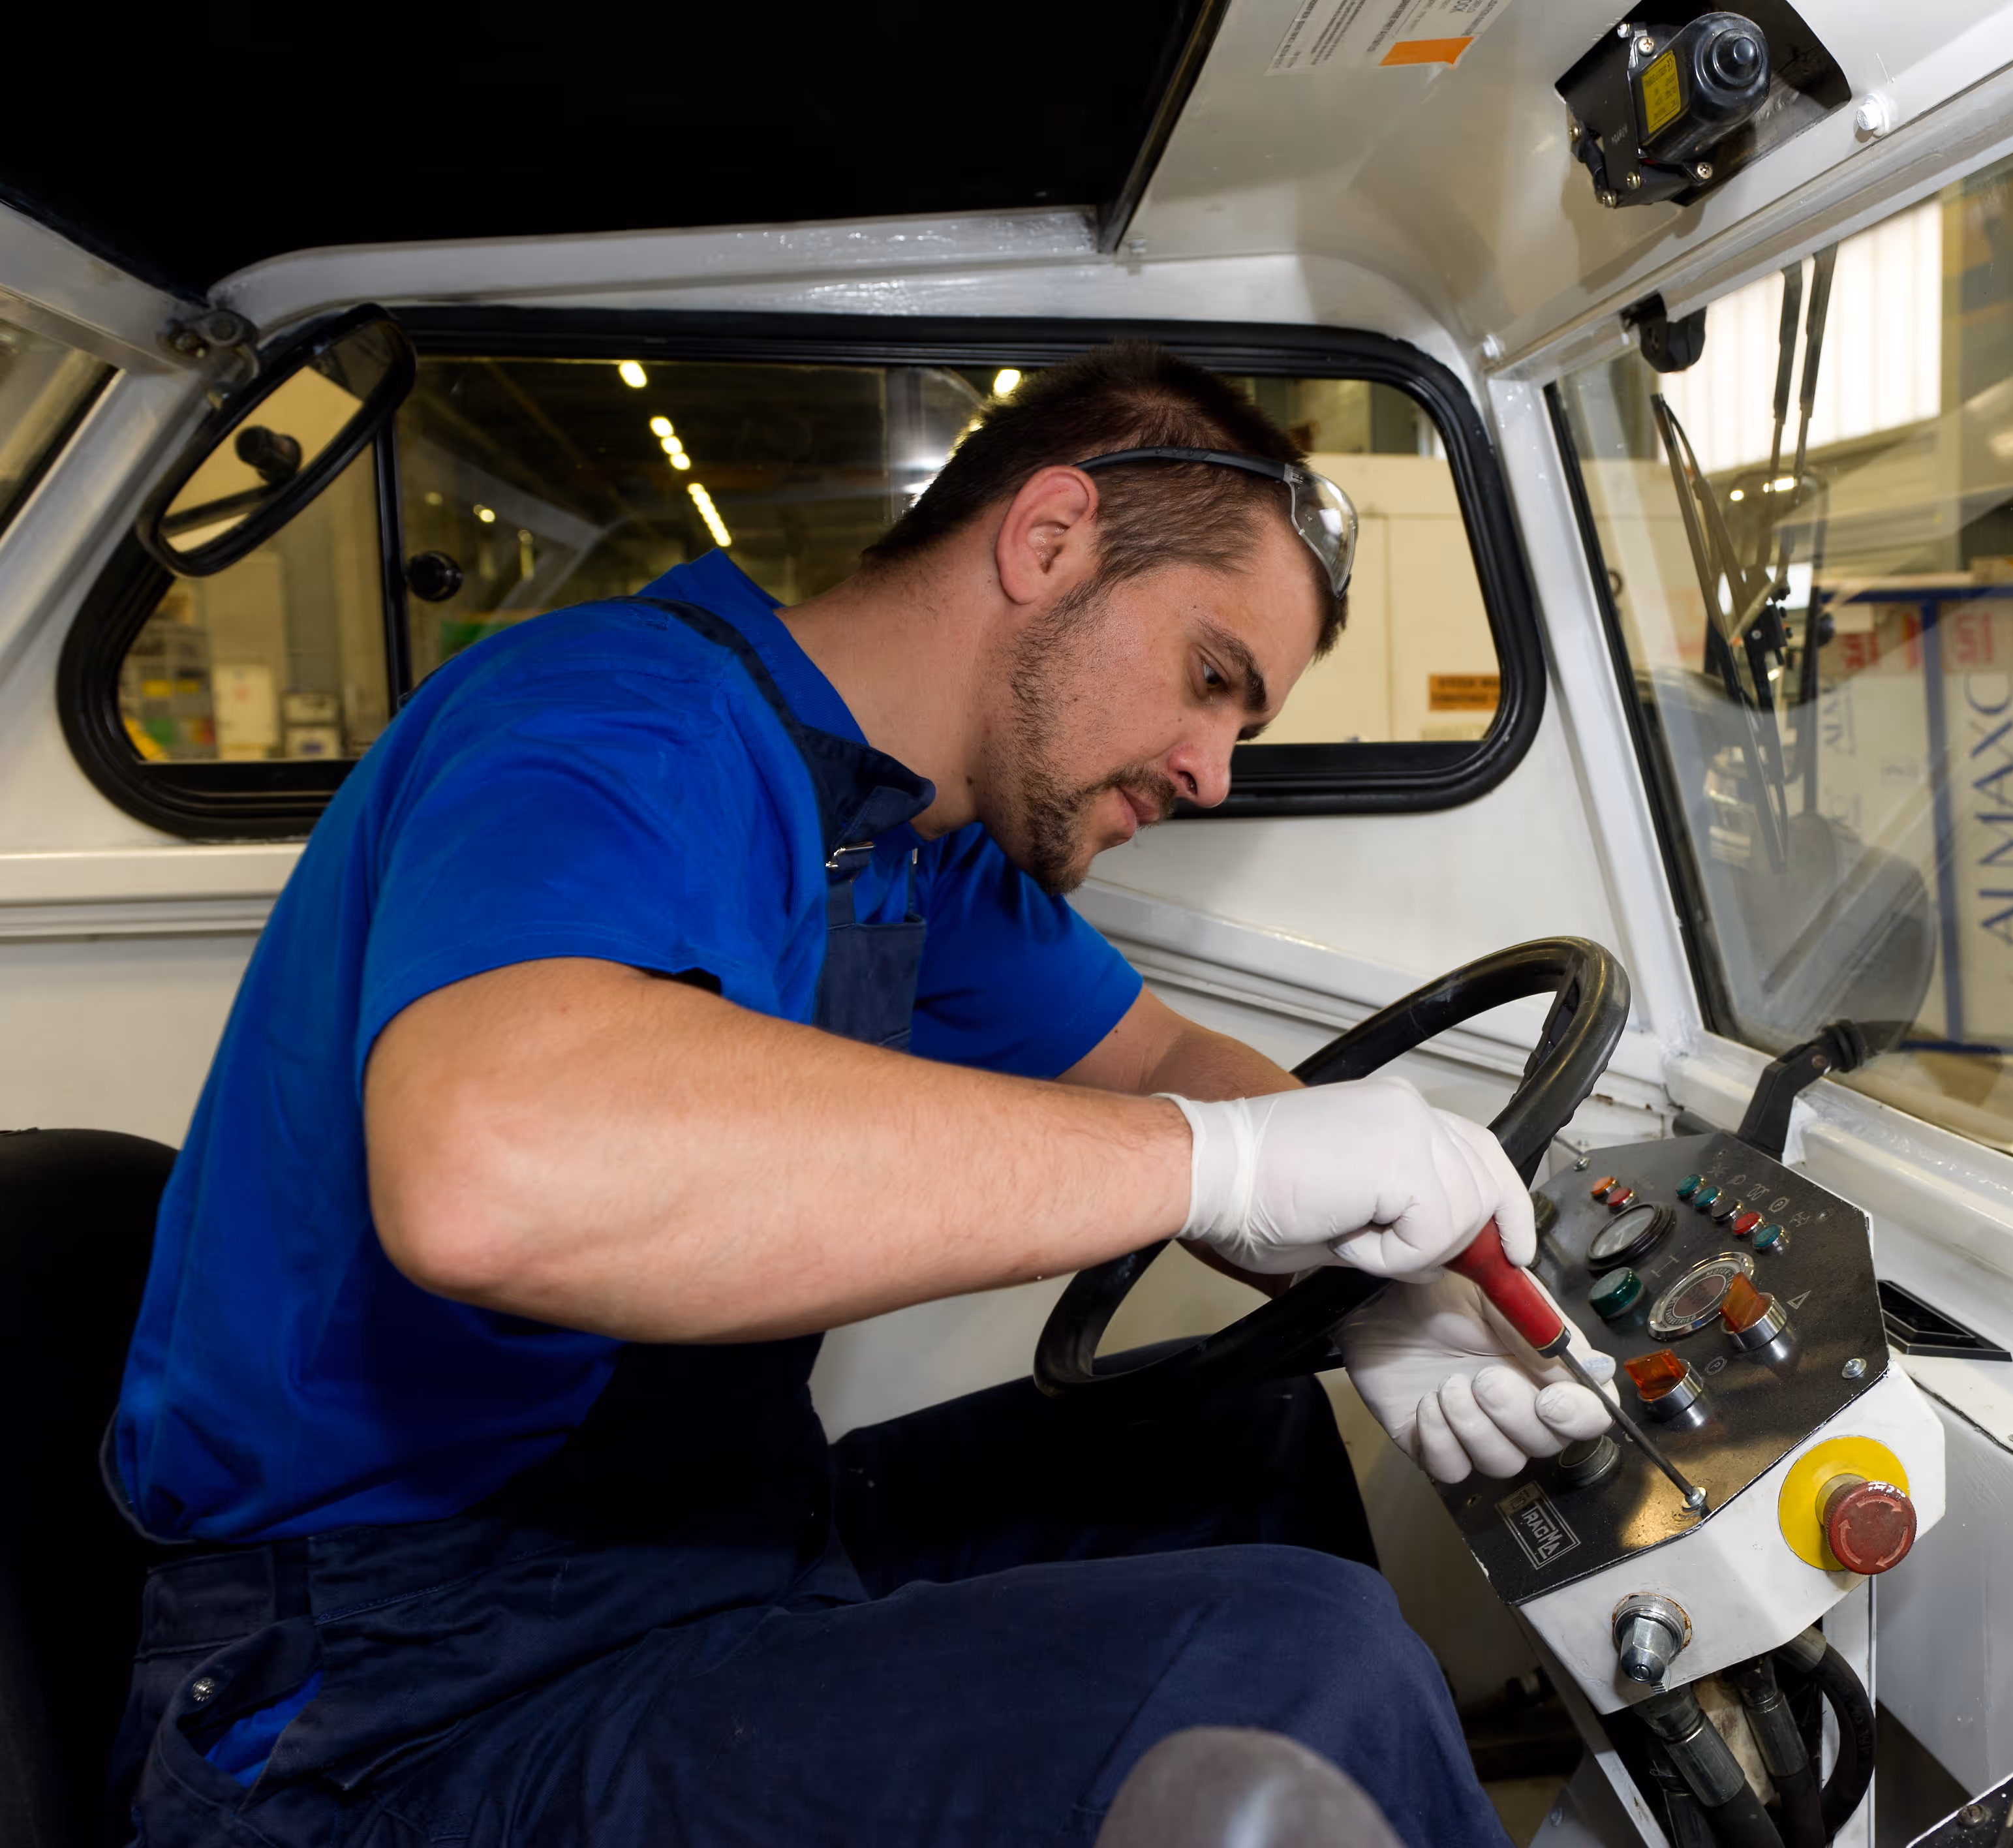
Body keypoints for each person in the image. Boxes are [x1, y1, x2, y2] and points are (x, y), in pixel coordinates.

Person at [104, 343, 1615, 1848]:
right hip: (393, 1692)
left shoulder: (907, 841)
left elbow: (1157, 1062)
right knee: (1295, 1665)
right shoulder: (616, 715)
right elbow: (498, 1168)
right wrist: (1220, 1167)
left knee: (1243, 1445)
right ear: (1048, 540)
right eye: (1210, 679)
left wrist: (1375, 1265)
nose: (1213, 770)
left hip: (695, 1540)